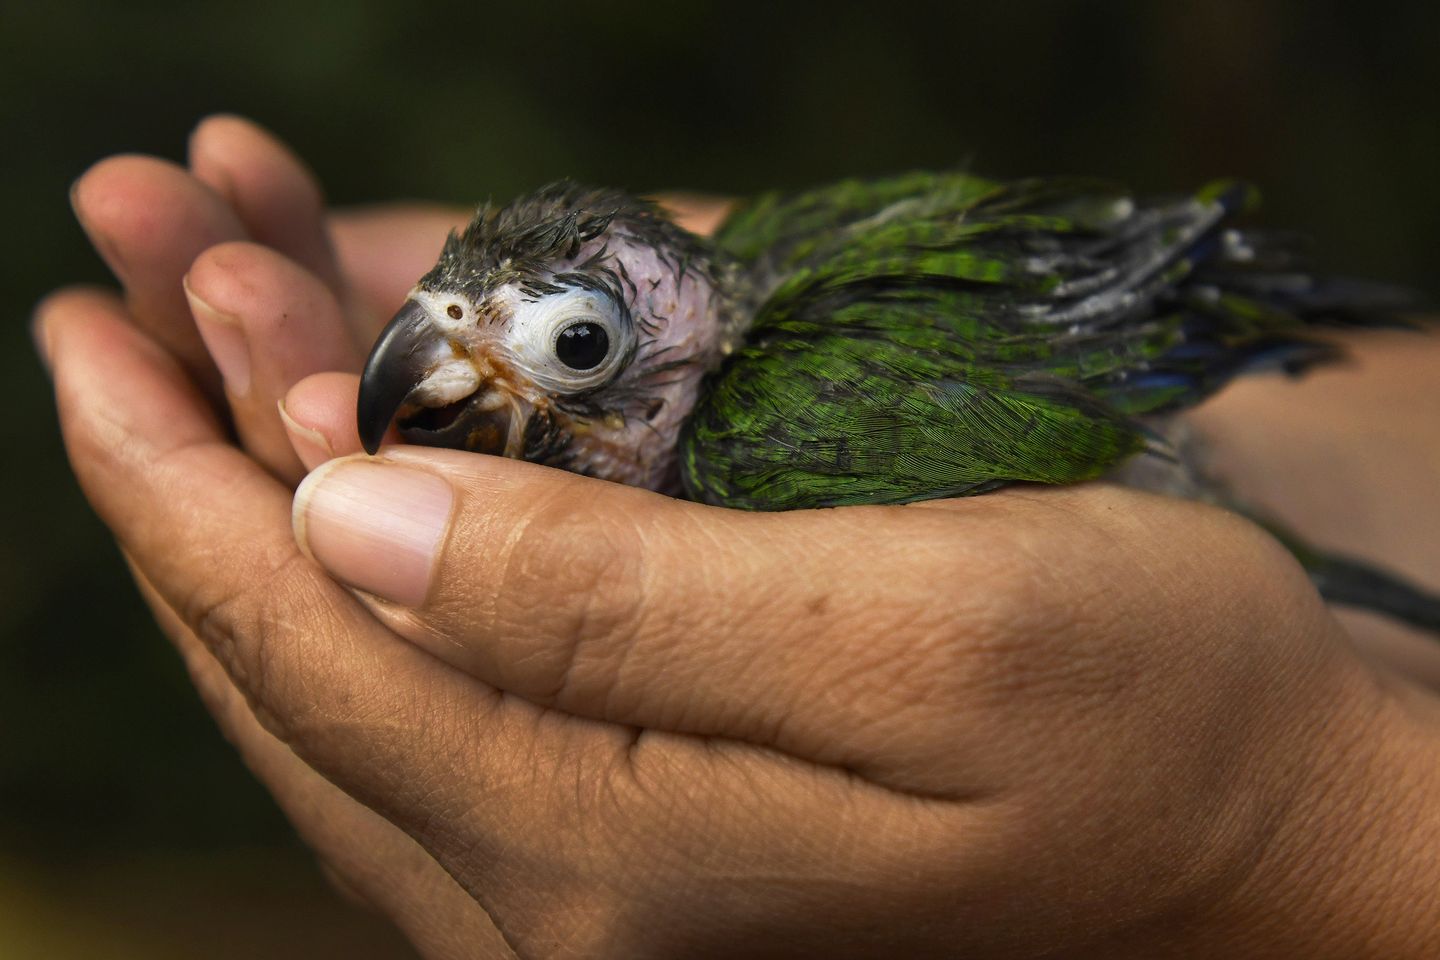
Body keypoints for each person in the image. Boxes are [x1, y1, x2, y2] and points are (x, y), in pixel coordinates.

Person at [36, 115, 1440, 958]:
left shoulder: (777, 421)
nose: (453, 367)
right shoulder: (747, 317)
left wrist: (1293, 838)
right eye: (447, 312)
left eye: (576, 346)